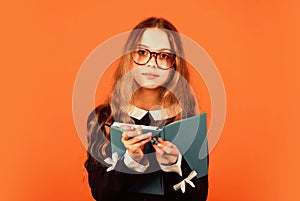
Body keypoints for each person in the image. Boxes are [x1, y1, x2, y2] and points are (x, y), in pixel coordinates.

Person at [85, 17, 208, 201]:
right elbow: (101, 194)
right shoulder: (103, 118)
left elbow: (199, 197)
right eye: (142, 52)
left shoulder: (188, 122)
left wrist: (175, 164)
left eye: (164, 55)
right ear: (130, 58)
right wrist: (130, 161)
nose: (151, 63)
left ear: (174, 64)